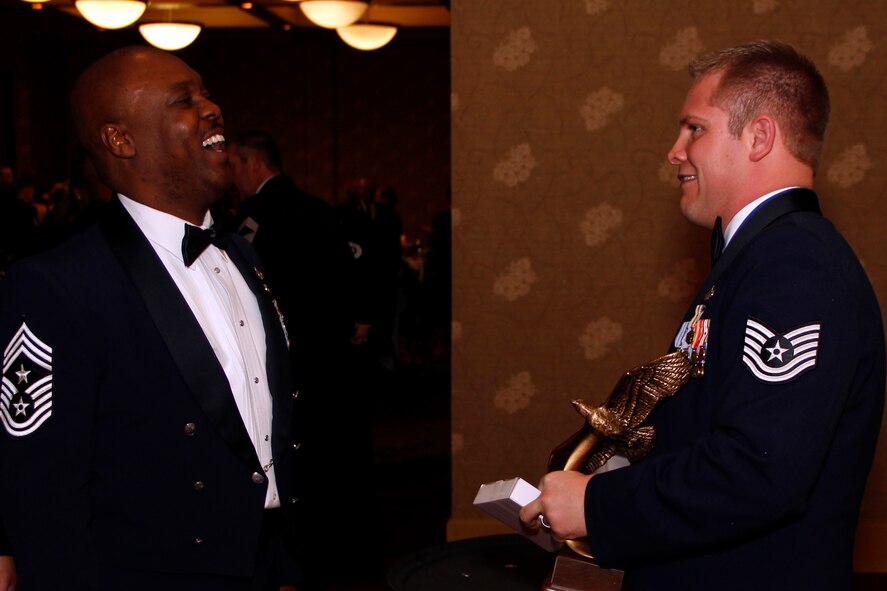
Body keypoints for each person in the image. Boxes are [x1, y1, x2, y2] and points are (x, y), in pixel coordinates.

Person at [520, 40, 885, 590]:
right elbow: (712, 430)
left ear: (759, 137)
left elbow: (758, 469)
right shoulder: (757, 257)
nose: (675, 150)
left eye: (695, 129)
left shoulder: (795, 266)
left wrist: (600, 505)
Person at [0, 46, 304, 590]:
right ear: (121, 139)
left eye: (206, 92)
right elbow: (43, 493)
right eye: (184, 100)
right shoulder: (58, 285)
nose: (212, 109)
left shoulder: (242, 255)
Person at [227, 130, 380, 587]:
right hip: (336, 366)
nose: (231, 175)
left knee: (303, 476)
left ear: (253, 163)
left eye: (234, 164)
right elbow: (353, 278)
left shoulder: (252, 222)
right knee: (340, 474)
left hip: (291, 369)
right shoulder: (323, 210)